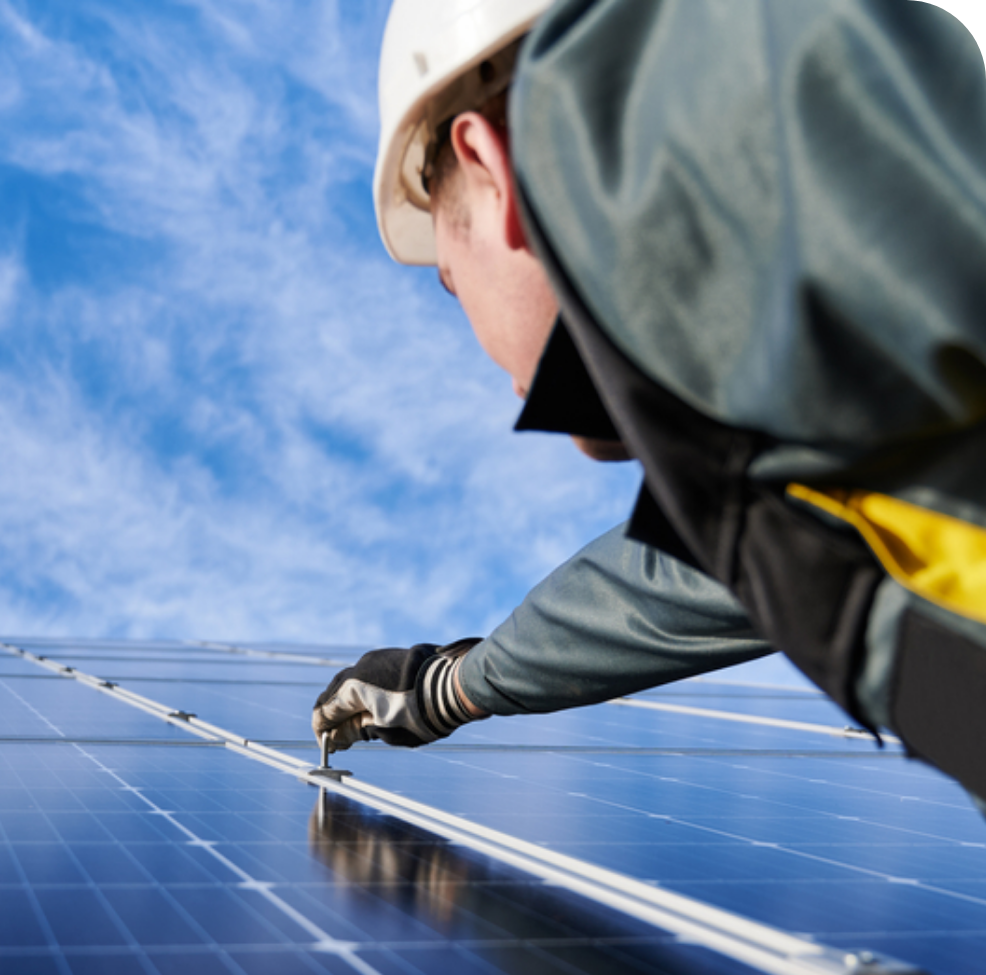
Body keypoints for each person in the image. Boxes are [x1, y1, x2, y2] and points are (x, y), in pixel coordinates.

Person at [313, 0, 986, 805]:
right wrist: (449, 686)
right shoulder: (815, 443)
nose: (497, 366)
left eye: (451, 282)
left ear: (493, 169)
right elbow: (680, 576)